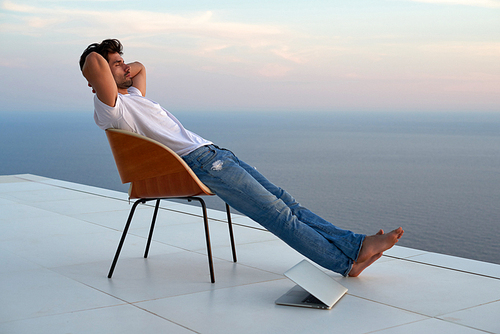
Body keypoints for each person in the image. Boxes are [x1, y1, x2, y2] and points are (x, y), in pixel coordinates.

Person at [80, 39, 404, 277]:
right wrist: (101, 59)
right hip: (200, 164)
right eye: (117, 64)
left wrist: (117, 61)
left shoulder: (132, 96)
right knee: (276, 213)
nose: (127, 66)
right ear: (99, 80)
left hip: (214, 155)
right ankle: (347, 258)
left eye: (124, 61)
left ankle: (353, 250)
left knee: (285, 202)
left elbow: (139, 69)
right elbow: (94, 61)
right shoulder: (111, 108)